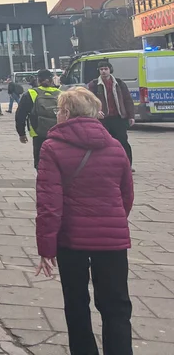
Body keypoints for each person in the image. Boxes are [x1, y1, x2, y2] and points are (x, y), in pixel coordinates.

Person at [35, 87, 134, 355]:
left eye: (58, 110)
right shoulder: (115, 146)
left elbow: (49, 204)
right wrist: (113, 221)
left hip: (72, 239)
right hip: (113, 240)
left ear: (66, 113)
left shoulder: (52, 147)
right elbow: (126, 194)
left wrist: (46, 248)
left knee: (77, 304)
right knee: (117, 305)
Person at [87, 60, 135, 165]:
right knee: (104, 143)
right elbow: (90, 100)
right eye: (101, 69)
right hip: (103, 119)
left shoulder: (119, 83)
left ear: (110, 70)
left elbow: (127, 99)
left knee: (123, 142)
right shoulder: (94, 84)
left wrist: (131, 116)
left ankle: (127, 164)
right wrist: (96, 112)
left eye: (106, 69)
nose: (103, 71)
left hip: (118, 117)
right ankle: (107, 164)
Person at [16, 70, 61, 169]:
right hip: (58, 132)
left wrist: (21, 133)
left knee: (40, 160)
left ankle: (43, 179)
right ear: (51, 80)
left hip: (38, 132)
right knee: (57, 159)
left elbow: (20, 115)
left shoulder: (31, 93)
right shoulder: (60, 93)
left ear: (38, 80)